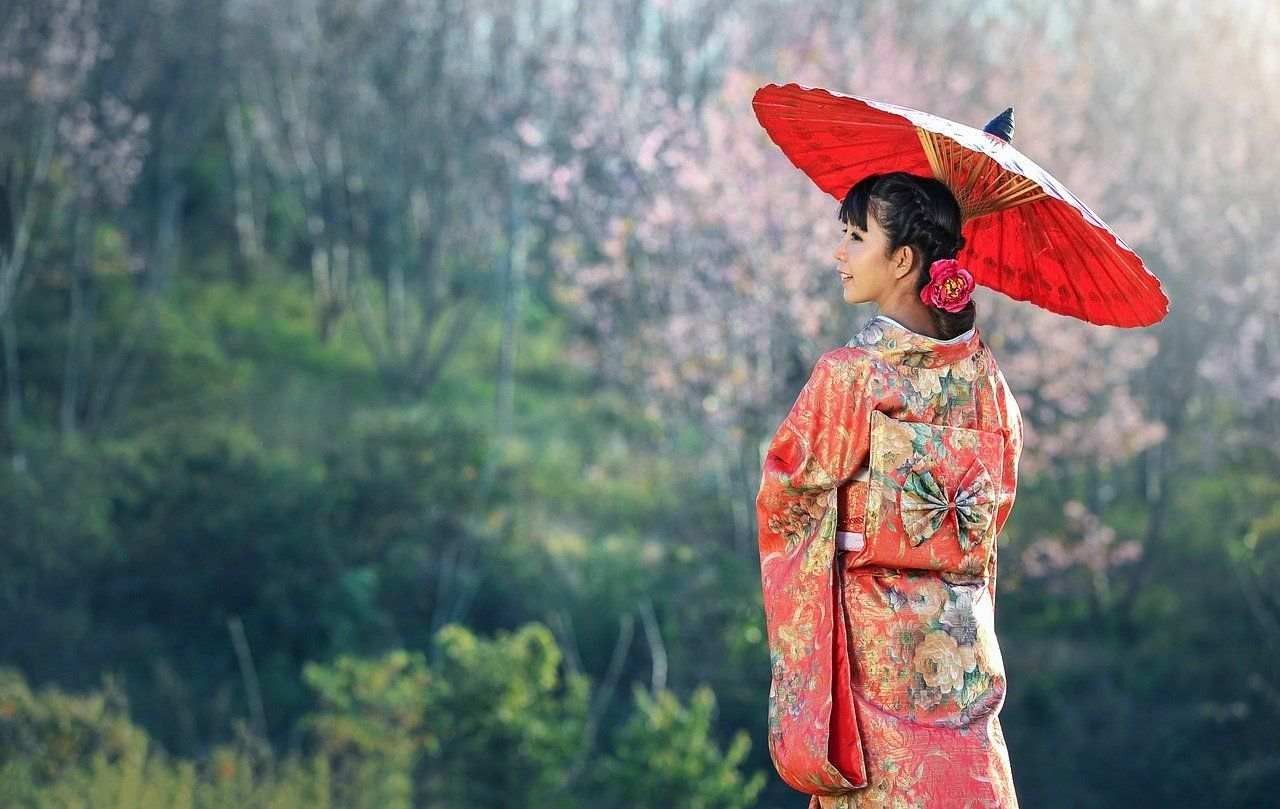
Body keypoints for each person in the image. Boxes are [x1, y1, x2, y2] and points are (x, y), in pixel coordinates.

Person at [755, 171, 1024, 808]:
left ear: (903, 259)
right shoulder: (985, 383)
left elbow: (785, 497)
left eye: (855, 237)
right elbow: (994, 506)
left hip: (875, 649)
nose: (838, 254)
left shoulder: (852, 376)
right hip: (959, 652)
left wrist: (854, 529)